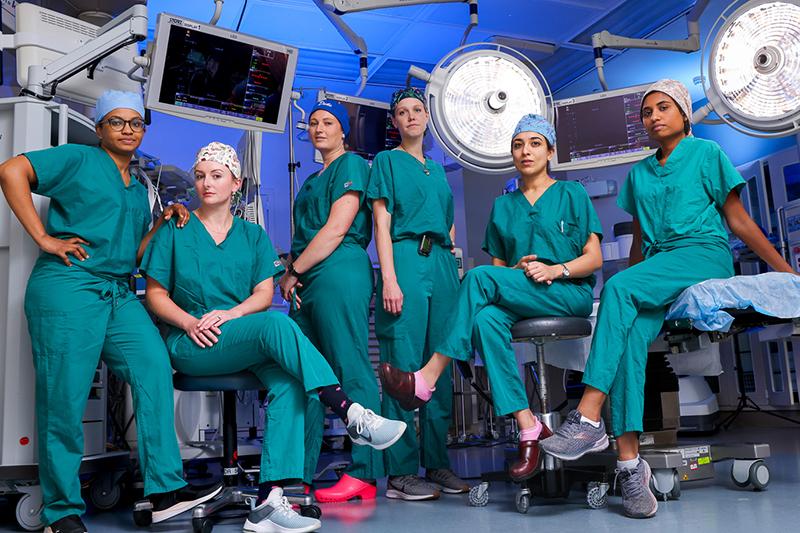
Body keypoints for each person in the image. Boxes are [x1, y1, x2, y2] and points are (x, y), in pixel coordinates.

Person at [539, 79, 799, 519]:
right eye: (646, 112)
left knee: (619, 287)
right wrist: (628, 296)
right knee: (625, 339)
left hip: (702, 255)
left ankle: (586, 417)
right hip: (659, 267)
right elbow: (640, 243)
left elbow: (738, 221)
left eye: (663, 108)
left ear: (682, 113)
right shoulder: (639, 174)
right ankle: (629, 465)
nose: (654, 116)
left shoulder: (708, 155)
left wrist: (786, 272)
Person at [141, 142, 407, 533]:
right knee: (281, 326)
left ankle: (269, 501)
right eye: (200, 176)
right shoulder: (176, 229)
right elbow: (155, 295)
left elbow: (264, 295)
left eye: (216, 176)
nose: (206, 184)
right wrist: (189, 323)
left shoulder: (253, 235)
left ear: (237, 183)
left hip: (238, 337)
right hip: (192, 342)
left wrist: (231, 314)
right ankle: (350, 411)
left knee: (290, 382)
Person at [0, 90, 221, 533]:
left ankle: (163, 491)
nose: (127, 130)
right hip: (69, 288)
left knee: (154, 366)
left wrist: (159, 223)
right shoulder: (78, 159)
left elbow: (134, 254)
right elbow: (11, 170)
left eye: (135, 123)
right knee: (63, 398)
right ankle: (60, 512)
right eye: (117, 122)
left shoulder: (139, 189)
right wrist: (45, 238)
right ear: (100, 128)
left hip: (119, 292)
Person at [379, 114, 603, 481]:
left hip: (566, 291)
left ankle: (427, 376)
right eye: (518, 145)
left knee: (480, 276)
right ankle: (527, 424)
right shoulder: (503, 206)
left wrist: (555, 269)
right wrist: (517, 272)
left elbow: (592, 258)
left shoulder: (571, 193)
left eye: (534, 143)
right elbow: (500, 273)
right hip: (523, 294)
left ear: (550, 151)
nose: (525, 151)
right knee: (484, 317)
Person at [278, 100, 385, 503]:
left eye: (329, 122)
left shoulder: (352, 165)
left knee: (349, 365)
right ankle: (297, 473)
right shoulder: (309, 182)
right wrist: (290, 271)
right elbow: (304, 237)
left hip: (339, 270)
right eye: (315, 123)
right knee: (303, 376)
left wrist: (294, 272)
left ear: (343, 131)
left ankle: (364, 471)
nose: (319, 127)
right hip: (305, 279)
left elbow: (337, 228)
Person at [367, 87, 469, 500]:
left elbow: (447, 225)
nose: (411, 117)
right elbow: (382, 222)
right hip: (406, 260)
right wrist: (389, 278)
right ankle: (402, 472)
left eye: (417, 110)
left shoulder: (438, 170)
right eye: (403, 112)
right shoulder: (387, 162)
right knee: (403, 367)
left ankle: (438, 462)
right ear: (394, 122)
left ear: (427, 118)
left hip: (442, 263)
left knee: (438, 367)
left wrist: (452, 267)